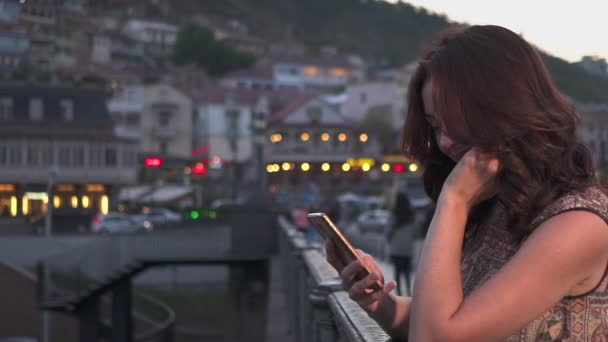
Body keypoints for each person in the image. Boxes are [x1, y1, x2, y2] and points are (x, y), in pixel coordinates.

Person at [325, 24, 608, 341]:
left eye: (456, 120)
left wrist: (454, 202)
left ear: (507, 108)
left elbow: (435, 337)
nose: (445, 142)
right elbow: (437, 323)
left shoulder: (577, 224)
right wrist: (380, 302)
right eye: (435, 126)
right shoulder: (496, 203)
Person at [386, 188, 416, 296]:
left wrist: (389, 239)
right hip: (407, 248)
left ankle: (399, 293)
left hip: (396, 248)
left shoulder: (394, 214)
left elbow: (388, 230)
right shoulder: (411, 215)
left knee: (397, 272)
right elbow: (415, 231)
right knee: (407, 272)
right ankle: (408, 291)